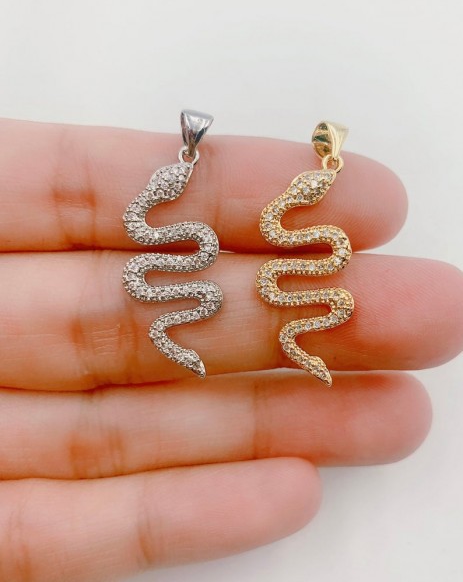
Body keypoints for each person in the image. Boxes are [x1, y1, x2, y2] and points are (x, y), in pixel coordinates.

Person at [0, 118, 461, 582]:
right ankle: (210, 344)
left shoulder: (272, 234)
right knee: (205, 294)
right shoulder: (186, 234)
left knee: (258, 297)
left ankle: (291, 343)